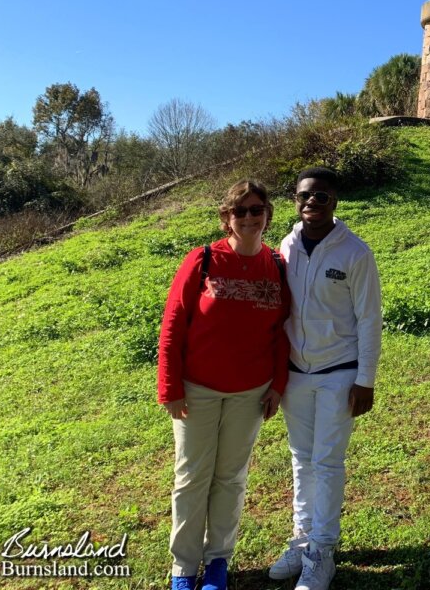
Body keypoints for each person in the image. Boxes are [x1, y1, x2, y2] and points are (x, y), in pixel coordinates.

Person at [158, 179, 291, 590]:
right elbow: (173, 325)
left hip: (251, 391)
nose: (249, 217)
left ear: (267, 214)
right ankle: (184, 567)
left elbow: (284, 331)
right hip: (196, 390)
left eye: (257, 210)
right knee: (192, 477)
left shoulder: (277, 266)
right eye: (241, 211)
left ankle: (218, 560)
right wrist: (170, 387)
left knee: (230, 478)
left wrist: (278, 385)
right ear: (226, 219)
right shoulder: (202, 261)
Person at [268, 166, 382, 590]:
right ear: (295, 200)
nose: (311, 203)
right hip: (297, 373)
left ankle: (322, 551)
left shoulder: (354, 252)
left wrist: (364, 379)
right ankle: (301, 541)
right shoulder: (288, 243)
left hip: (339, 373)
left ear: (335, 201)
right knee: (301, 459)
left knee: (327, 461)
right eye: (304, 196)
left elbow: (369, 319)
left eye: (321, 197)